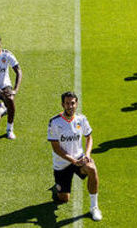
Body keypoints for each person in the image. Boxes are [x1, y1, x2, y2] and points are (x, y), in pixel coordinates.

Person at [47, 91, 102, 221]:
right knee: (63, 199)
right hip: (62, 163)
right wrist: (72, 160)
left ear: (76, 104)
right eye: (67, 103)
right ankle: (57, 189)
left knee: (92, 169)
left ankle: (94, 207)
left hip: (79, 158)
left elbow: (89, 138)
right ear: (62, 104)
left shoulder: (81, 119)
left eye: (72, 103)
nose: (70, 106)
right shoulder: (54, 122)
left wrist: (87, 154)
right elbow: (55, 147)